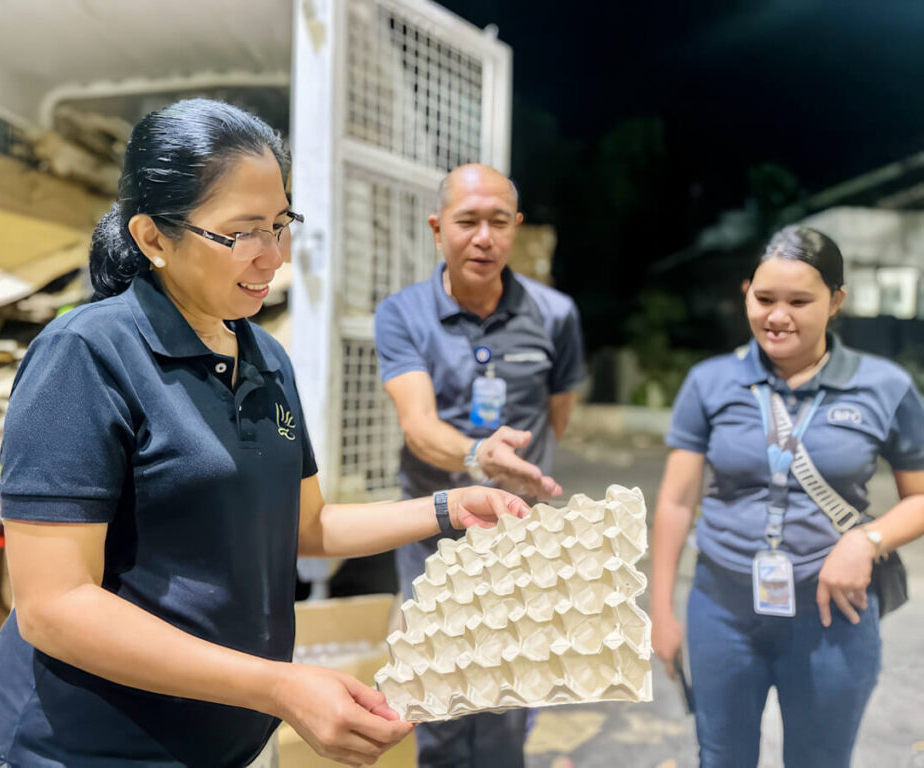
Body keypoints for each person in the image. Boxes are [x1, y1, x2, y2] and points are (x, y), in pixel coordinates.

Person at [0, 99, 532, 768]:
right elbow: (53, 607)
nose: (274, 256)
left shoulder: (263, 355)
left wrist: (447, 508)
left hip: (218, 743)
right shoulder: (87, 356)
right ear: (154, 238)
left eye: (281, 223)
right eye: (243, 233)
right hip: (84, 746)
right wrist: (280, 686)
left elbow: (306, 525)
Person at [651, 225, 924, 768]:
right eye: (765, 298)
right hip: (722, 606)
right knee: (721, 757)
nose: (778, 316)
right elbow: (676, 502)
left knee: (820, 760)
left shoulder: (885, 387)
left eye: (800, 301)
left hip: (833, 616)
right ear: (747, 292)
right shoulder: (710, 382)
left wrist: (867, 541)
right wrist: (660, 610)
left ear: (836, 301)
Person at [374, 163, 586, 768]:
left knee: (505, 699)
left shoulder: (556, 315)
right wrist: (476, 458)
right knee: (435, 693)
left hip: (518, 537)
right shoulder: (403, 314)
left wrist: (519, 475)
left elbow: (557, 414)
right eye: (467, 222)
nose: (484, 238)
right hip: (432, 531)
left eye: (499, 222)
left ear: (516, 227)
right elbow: (417, 426)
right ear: (438, 228)